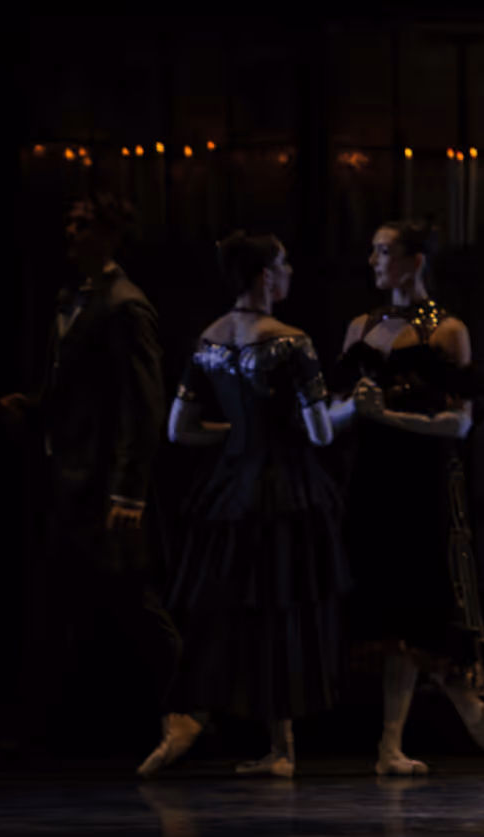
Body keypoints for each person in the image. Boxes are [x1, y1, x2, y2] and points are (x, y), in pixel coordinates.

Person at [135, 231, 349, 779]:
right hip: (285, 492)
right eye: (284, 263)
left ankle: (200, 720)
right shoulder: (291, 341)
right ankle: (279, 747)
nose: (291, 271)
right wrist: (356, 408)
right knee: (277, 606)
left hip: (229, 492)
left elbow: (180, 430)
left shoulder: (208, 339)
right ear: (264, 276)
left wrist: (232, 436)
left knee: (232, 609)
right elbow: (320, 433)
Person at [326, 219, 484, 775]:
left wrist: (389, 416)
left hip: (423, 484)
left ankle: (458, 720)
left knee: (421, 611)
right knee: (387, 616)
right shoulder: (361, 327)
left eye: (384, 251)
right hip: (370, 483)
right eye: (373, 251)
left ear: (414, 261)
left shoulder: (446, 329)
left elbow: (459, 424)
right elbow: (333, 418)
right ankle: (428, 731)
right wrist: (352, 412)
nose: (374, 261)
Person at [0, 190, 180, 754]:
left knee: (134, 603)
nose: (71, 232)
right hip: (71, 480)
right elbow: (77, 388)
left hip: (103, 487)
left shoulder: (124, 304)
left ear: (110, 234)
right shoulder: (75, 298)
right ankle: (45, 729)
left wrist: (128, 491)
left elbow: (142, 405)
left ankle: (189, 708)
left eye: (83, 224)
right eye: (69, 222)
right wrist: (33, 405)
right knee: (65, 604)